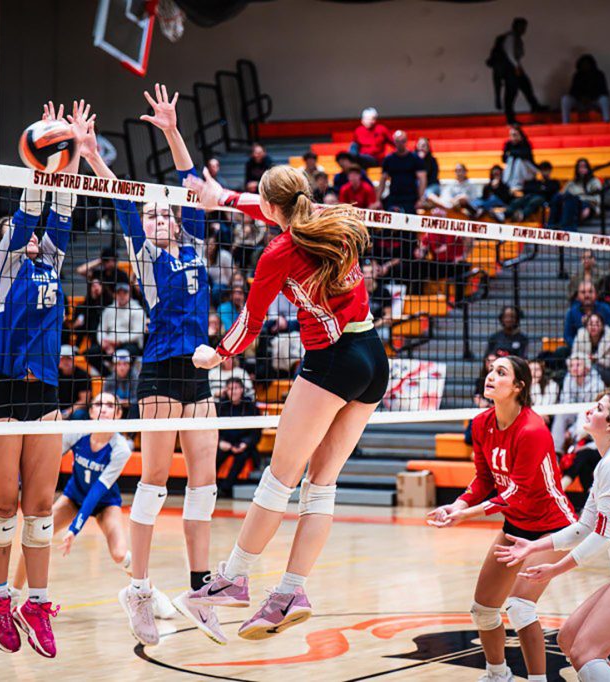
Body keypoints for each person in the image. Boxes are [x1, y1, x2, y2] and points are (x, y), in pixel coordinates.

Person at [181, 163, 390, 641]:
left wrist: (217, 354)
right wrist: (225, 198)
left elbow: (251, 324)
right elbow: (275, 209)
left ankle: (233, 579)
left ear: (272, 209)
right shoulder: (331, 219)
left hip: (332, 362)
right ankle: (291, 591)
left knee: (278, 480)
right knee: (321, 485)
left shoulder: (277, 251)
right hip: (374, 357)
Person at [81, 85, 223, 646]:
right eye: (152, 212)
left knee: (205, 483)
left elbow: (191, 181)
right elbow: (120, 198)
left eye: (165, 211)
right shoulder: (144, 250)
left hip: (200, 372)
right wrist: (92, 155)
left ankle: (200, 587)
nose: (160, 215)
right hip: (161, 373)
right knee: (157, 481)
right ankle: (138, 588)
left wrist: (170, 128)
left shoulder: (195, 243)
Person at [0, 99, 87, 657]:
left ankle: (36, 604)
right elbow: (34, 206)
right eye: (24, 234)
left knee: (41, 507)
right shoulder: (8, 262)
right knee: (4, 506)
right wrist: (43, 163)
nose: (36, 237)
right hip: (0, 390)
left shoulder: (49, 264)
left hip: (46, 394)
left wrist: (75, 151)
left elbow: (61, 209)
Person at [496, 391, 610, 682]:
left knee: (586, 652)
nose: (589, 410)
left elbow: (601, 536)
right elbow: (584, 526)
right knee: (568, 640)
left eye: (598, 408)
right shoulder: (609, 460)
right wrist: (535, 545)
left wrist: (555, 569)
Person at [428, 356, 576, 682]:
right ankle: (498, 675)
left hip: (553, 526)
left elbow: (515, 493)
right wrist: (456, 505)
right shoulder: (481, 423)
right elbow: (484, 480)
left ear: (519, 387)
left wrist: (464, 516)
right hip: (516, 525)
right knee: (483, 610)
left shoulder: (533, 430)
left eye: (501, 372)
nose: (490, 376)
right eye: (491, 370)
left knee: (520, 607)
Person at [10, 392, 178, 618]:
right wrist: (17, 481)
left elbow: (97, 491)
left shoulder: (121, 448)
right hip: (73, 497)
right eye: (98, 403)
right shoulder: (77, 432)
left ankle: (149, 590)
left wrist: (74, 529)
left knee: (120, 554)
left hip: (105, 502)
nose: (103, 408)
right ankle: (13, 596)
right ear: (90, 411)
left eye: (110, 405)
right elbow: (44, 461)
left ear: (118, 415)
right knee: (36, 535)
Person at [486, 17, 546, 124]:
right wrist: (517, 67)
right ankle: (511, 118)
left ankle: (534, 106)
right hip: (510, 69)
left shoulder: (516, 38)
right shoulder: (511, 37)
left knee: (525, 86)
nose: (524, 29)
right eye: (522, 27)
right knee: (511, 93)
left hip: (513, 67)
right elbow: (510, 55)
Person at [215, 377, 262, 496]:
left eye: (236, 388)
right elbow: (213, 429)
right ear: (226, 390)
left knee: (242, 456)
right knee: (215, 456)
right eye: (230, 389)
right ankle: (210, 486)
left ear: (242, 390)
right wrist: (220, 442)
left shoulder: (251, 407)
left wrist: (245, 444)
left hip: (243, 444)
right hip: (225, 442)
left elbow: (256, 433)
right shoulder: (220, 406)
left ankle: (225, 489)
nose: (233, 391)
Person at [552, 355, 606, 450]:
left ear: (586, 368)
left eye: (578, 365)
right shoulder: (568, 378)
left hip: (590, 416)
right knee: (560, 415)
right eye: (572, 365)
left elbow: (592, 410)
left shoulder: (596, 383)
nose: (574, 368)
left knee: (583, 415)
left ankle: (577, 449)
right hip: (575, 413)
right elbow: (566, 404)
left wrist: (571, 430)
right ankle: (556, 452)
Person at [547, 158, 602, 232]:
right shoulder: (571, 183)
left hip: (586, 206)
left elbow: (597, 199)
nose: (582, 169)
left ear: (588, 168)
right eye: (580, 167)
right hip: (570, 205)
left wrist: (582, 200)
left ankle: (568, 229)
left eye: (584, 166)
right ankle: (551, 225)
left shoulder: (594, 181)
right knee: (557, 197)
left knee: (572, 199)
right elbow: (562, 195)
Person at [379, 130, 425, 213]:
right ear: (394, 142)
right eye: (397, 141)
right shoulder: (389, 159)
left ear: (406, 141)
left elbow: (422, 179)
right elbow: (383, 180)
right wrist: (377, 199)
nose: (400, 144)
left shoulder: (415, 159)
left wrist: (420, 199)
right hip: (394, 198)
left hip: (410, 199)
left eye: (402, 141)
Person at [563, 281, 610, 348]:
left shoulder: (605, 309)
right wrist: (579, 346)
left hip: (603, 348)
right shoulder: (572, 312)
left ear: (596, 294)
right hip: (579, 350)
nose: (587, 295)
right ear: (577, 296)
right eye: (583, 292)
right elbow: (568, 336)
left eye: (590, 292)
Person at [572, 312, 610, 386]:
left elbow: (609, 362)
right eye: (590, 323)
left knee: (593, 368)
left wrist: (595, 359)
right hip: (583, 370)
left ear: (603, 325)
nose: (593, 326)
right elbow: (575, 355)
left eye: (597, 323)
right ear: (586, 326)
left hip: (606, 372)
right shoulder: (580, 336)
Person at [561, 54, 610, 124]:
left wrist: (591, 98)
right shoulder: (577, 76)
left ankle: (607, 121)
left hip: (594, 102)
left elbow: (603, 91)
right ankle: (565, 123)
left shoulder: (599, 75)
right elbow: (573, 91)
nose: (585, 66)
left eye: (587, 64)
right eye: (583, 64)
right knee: (565, 99)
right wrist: (581, 98)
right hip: (580, 103)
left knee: (604, 99)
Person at [57, 344, 92, 419]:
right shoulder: (53, 374)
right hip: (57, 409)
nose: (65, 361)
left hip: (75, 410)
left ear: (74, 359)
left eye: (68, 358)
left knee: (79, 414)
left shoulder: (83, 375)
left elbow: (84, 400)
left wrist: (68, 412)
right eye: (62, 358)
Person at [501, 125, 536, 190]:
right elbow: (504, 159)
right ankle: (509, 182)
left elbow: (525, 155)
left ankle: (517, 184)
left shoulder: (525, 143)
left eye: (515, 135)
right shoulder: (508, 144)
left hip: (527, 170)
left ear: (520, 135)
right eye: (511, 135)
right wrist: (512, 153)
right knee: (511, 160)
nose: (512, 137)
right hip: (513, 169)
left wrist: (511, 153)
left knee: (518, 160)